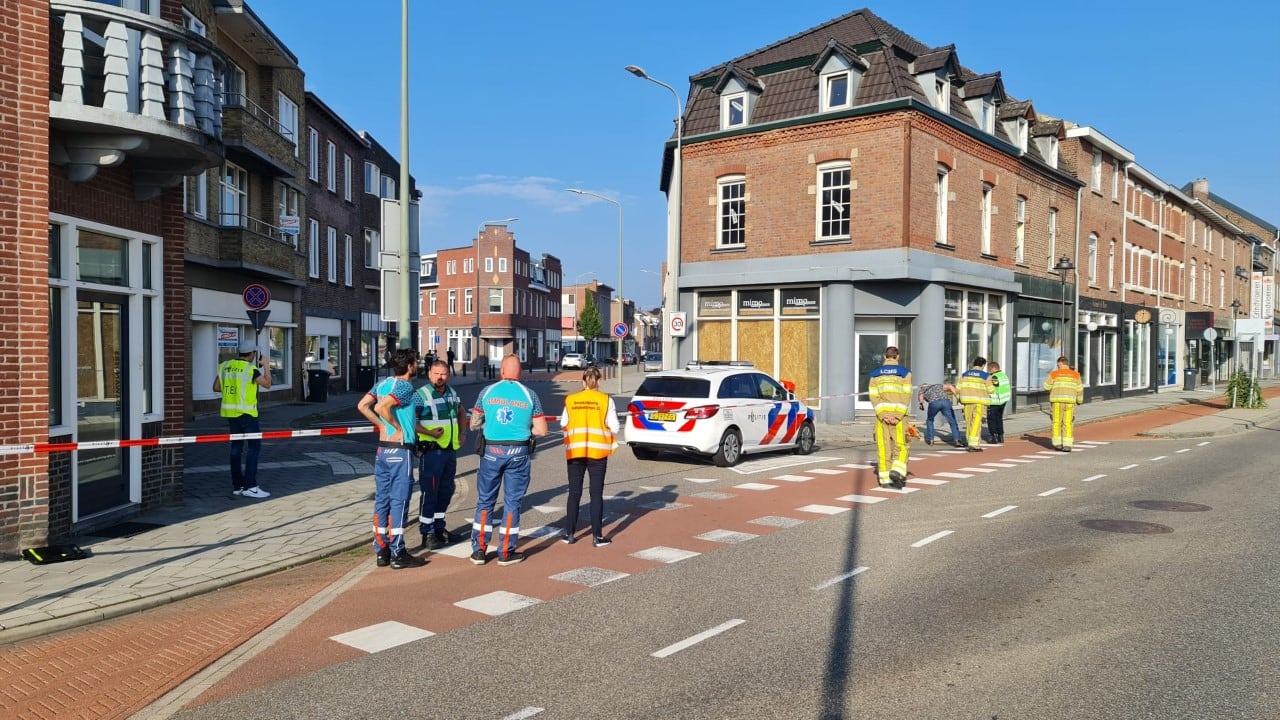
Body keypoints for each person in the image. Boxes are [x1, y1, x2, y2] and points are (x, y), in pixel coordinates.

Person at [469, 354, 548, 566]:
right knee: (512, 502)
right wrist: (524, 427)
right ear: (520, 373)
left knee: (485, 500)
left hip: (491, 451)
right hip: (518, 453)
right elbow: (542, 430)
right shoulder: (530, 395)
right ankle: (505, 551)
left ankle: (479, 550)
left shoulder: (487, 392)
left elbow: (474, 424)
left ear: (501, 371)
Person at [356, 348, 427, 569]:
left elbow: (362, 406)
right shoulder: (405, 386)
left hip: (383, 451)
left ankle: (382, 550)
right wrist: (396, 428)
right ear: (409, 366)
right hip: (399, 450)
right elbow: (381, 407)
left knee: (382, 500)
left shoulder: (382, 384)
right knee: (400, 501)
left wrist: (381, 426)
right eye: (416, 361)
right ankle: (398, 552)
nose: (417, 365)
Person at [558, 366, 620, 546]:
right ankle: (597, 536)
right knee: (596, 494)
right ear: (599, 381)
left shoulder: (571, 400)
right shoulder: (606, 400)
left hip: (576, 452)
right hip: (597, 452)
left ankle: (569, 534)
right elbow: (615, 427)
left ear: (583, 382)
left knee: (574, 493)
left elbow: (564, 423)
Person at [415, 359, 465, 550]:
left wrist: (462, 432)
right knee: (430, 493)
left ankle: (438, 528)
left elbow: (461, 411)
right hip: (431, 452)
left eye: (443, 373)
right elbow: (411, 421)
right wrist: (429, 433)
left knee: (446, 491)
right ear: (429, 374)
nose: (440, 377)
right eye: (436, 373)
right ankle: (426, 533)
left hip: (449, 451)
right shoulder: (421, 395)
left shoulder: (452, 393)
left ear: (448, 375)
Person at [213, 339, 272, 499]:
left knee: (236, 449)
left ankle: (238, 485)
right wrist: (266, 366)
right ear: (252, 354)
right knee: (254, 448)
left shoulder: (225, 366)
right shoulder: (250, 369)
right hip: (247, 414)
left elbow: (216, 387)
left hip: (230, 414)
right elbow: (267, 384)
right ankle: (250, 486)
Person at [867, 346, 913, 488]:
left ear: (884, 357)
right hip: (899, 419)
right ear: (897, 357)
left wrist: (883, 415)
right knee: (902, 445)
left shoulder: (875, 374)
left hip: (882, 419)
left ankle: (885, 480)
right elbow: (906, 396)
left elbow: (874, 397)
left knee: (883, 448)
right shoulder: (905, 373)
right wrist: (897, 416)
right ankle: (897, 471)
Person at [1044, 355, 1084, 451]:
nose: (1057, 366)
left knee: (1057, 422)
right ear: (1067, 364)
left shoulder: (1054, 374)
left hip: (1057, 402)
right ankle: (1067, 445)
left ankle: (1057, 443)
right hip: (1070, 403)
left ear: (1060, 363)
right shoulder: (1076, 375)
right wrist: (1079, 401)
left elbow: (1046, 387)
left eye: (1058, 364)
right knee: (1067, 423)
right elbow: (1080, 389)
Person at [957, 357, 993, 452]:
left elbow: (957, 389)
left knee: (969, 422)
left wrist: (959, 399)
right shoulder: (986, 376)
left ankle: (969, 441)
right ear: (983, 365)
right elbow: (991, 390)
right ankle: (974, 445)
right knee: (976, 423)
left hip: (967, 402)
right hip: (979, 402)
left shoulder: (964, 374)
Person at [917, 381, 963, 447]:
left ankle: (931, 440)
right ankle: (957, 440)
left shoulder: (921, 391)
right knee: (952, 421)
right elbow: (950, 386)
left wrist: (921, 404)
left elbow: (921, 398)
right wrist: (957, 396)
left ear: (922, 387)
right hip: (945, 401)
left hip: (934, 403)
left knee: (930, 420)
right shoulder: (937, 385)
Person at [986, 360, 1011, 444]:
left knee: (991, 419)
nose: (988, 371)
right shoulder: (1004, 375)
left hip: (995, 400)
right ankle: (1001, 436)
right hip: (1003, 400)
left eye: (989, 369)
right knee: (999, 418)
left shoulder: (994, 377)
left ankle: (994, 437)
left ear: (993, 368)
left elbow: (993, 388)